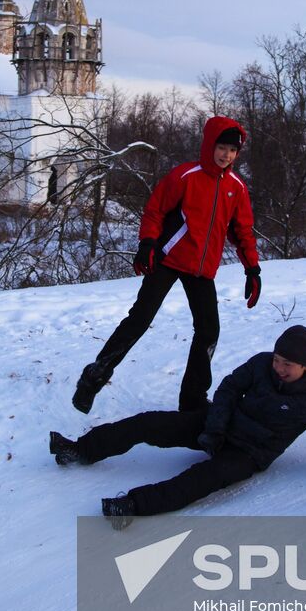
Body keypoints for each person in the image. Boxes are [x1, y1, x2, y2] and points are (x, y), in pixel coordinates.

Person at [52, 325, 306, 529]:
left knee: (202, 478)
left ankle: (133, 505)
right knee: (149, 423)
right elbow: (229, 388)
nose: (278, 368)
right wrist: (215, 429)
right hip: (220, 425)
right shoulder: (262, 364)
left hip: (248, 453)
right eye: (277, 359)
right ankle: (79, 450)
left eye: (287, 364)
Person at [73, 115, 261, 414]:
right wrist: (147, 244)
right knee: (140, 318)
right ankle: (93, 377)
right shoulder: (186, 175)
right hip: (169, 259)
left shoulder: (236, 187)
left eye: (232, 151)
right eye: (222, 147)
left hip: (202, 268)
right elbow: (155, 211)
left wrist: (252, 269)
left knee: (209, 330)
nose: (226, 155)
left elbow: (243, 231)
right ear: (210, 144)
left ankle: (193, 400)